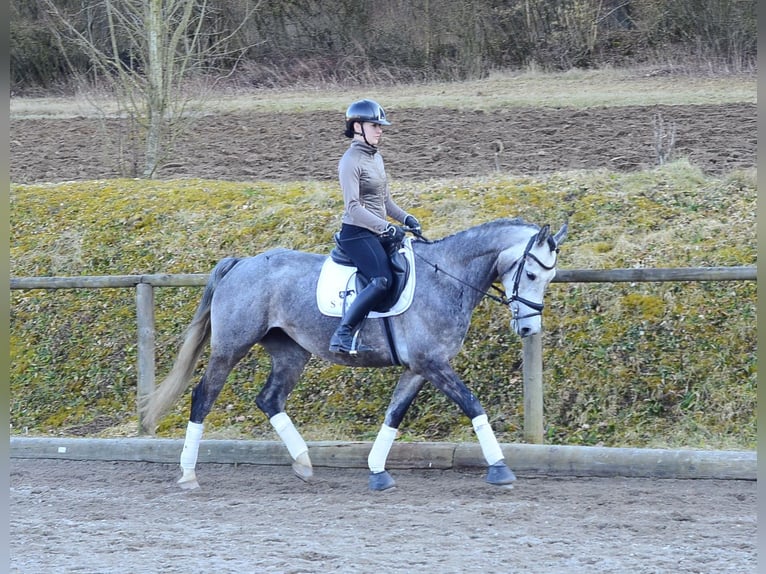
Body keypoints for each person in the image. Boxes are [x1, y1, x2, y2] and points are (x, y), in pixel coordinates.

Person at [328, 98, 421, 354]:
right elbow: (353, 208)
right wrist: (386, 228)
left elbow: (385, 201)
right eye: (374, 125)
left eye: (380, 126)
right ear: (357, 126)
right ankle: (343, 334)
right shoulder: (350, 161)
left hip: (376, 231)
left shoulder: (375, 158)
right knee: (381, 280)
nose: (380, 130)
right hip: (357, 233)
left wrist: (406, 219)